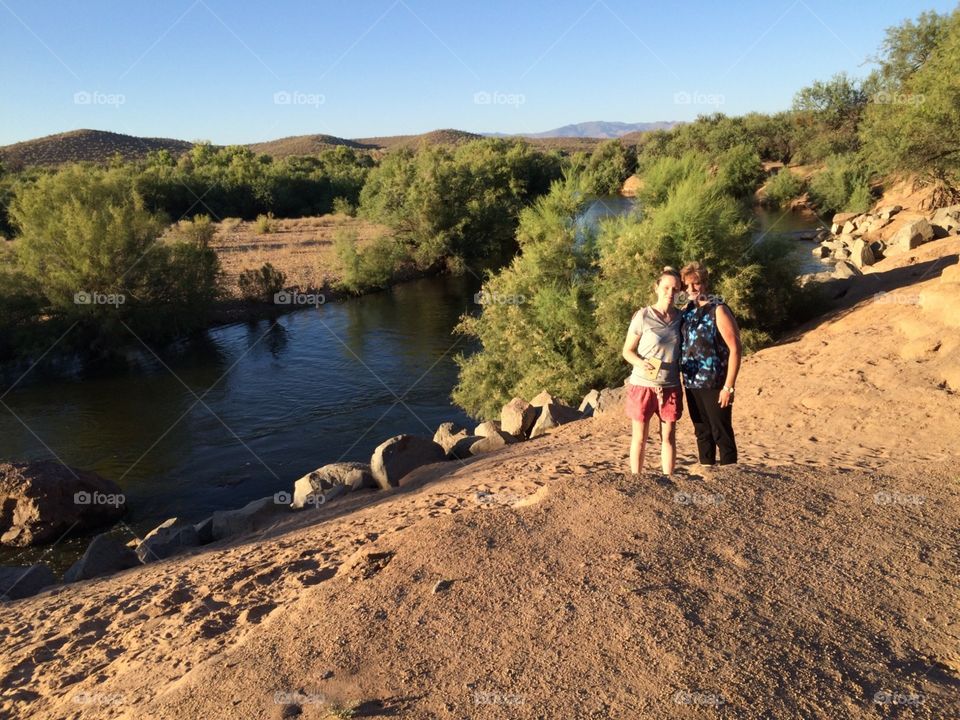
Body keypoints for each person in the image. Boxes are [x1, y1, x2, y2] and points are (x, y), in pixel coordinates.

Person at [622, 267, 684, 477]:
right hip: (643, 385)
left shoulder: (682, 318)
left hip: (670, 385)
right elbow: (627, 351)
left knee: (668, 437)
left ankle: (669, 479)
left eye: (675, 289)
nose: (670, 293)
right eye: (666, 287)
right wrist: (641, 363)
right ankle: (636, 479)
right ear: (657, 287)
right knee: (640, 437)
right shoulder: (643, 316)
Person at [679, 261, 742, 467]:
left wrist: (728, 386)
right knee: (702, 432)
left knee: (721, 431)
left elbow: (735, 349)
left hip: (715, 383)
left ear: (705, 283)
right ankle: (707, 472)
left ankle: (731, 477)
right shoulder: (687, 310)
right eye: (687, 285)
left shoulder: (718, 309)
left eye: (696, 283)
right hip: (691, 383)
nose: (691, 289)